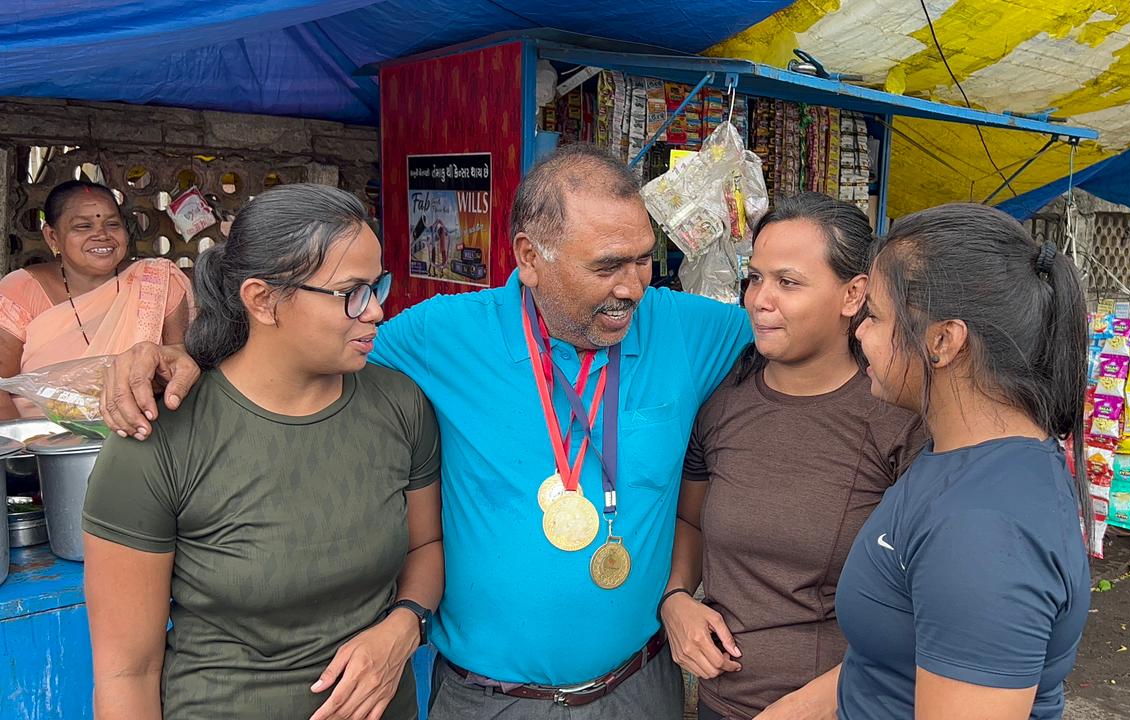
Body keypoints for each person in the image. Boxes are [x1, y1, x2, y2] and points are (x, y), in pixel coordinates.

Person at [97, 145, 755, 719]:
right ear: (529, 256)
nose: (632, 288)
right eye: (608, 266)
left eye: (644, 260)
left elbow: (804, 342)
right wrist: (187, 358)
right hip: (485, 700)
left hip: (640, 688)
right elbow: (292, 351)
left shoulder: (687, 329)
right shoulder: (439, 335)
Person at [81, 184, 443, 720]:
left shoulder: (399, 405)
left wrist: (402, 626)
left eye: (377, 287)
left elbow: (425, 546)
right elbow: (126, 673)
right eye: (352, 292)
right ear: (262, 300)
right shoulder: (160, 434)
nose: (376, 312)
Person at [661, 193, 925, 720]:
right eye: (754, 278)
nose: (760, 300)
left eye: (788, 282)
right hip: (722, 701)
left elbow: (930, 602)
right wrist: (676, 599)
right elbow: (690, 519)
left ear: (854, 295)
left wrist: (819, 701)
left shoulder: (898, 420)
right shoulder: (723, 402)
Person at [836, 203, 1091, 720]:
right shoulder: (960, 460)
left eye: (876, 317)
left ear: (943, 342)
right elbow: (889, 664)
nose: (859, 332)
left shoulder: (985, 529)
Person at [0, 180, 192, 418]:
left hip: (139, 434)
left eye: (112, 224)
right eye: (83, 226)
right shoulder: (20, 290)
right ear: (52, 237)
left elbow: (181, 369)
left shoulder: (157, 282)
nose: (101, 235)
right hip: (38, 444)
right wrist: (22, 448)